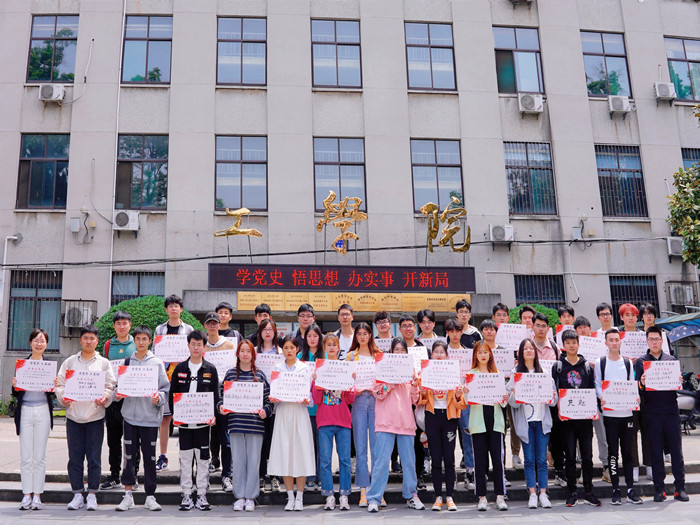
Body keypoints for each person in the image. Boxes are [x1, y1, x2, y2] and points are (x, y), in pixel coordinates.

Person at [55, 325, 116, 511]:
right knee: (75, 458)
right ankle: (77, 494)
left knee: (94, 458)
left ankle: (92, 494)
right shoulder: (70, 362)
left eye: (92, 338)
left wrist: (105, 397)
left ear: (97, 341)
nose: (89, 341)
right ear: (80, 340)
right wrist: (63, 398)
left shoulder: (103, 363)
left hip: (95, 417)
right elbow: (60, 384)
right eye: (85, 338)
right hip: (74, 417)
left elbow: (110, 385)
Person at [114, 326, 170, 512]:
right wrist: (117, 394)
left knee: (150, 458)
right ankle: (128, 495)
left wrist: (158, 398)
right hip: (130, 417)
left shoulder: (157, 363)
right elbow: (117, 388)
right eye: (138, 338)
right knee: (129, 457)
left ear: (150, 341)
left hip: (149, 418)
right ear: (134, 341)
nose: (141, 342)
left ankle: (150, 496)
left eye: (144, 339)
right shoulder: (127, 362)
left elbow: (165, 389)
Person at [366, 337, 424, 513]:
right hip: (385, 422)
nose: (399, 353)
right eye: (396, 349)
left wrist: (415, 384)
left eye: (402, 350)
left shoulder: (411, 372)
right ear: (391, 352)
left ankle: (411, 495)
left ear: (407, 353)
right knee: (381, 462)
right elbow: (377, 393)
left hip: (405, 422)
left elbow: (415, 399)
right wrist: (390, 383)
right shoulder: (382, 369)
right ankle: (374, 498)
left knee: (409, 462)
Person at [635, 326, 689, 502]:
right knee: (656, 451)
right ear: (647, 341)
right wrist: (642, 383)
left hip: (671, 411)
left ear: (661, 340)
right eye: (651, 339)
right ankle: (659, 489)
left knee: (676, 451)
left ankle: (680, 488)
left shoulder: (671, 360)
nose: (654, 342)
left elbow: (677, 387)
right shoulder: (641, 362)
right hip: (652, 412)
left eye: (657, 339)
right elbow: (637, 389)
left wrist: (679, 381)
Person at [218, 339, 272, 512]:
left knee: (254, 462)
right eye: (242, 351)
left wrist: (265, 411)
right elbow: (221, 398)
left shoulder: (260, 375)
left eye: (248, 351)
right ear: (237, 354)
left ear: (253, 354)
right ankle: (239, 496)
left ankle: (251, 497)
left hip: (255, 426)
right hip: (236, 425)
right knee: (238, 462)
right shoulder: (230, 375)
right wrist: (221, 407)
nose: (245, 354)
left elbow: (268, 401)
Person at [169, 330, 220, 511]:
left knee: (203, 459)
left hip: (203, 424)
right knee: (185, 458)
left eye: (199, 344)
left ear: (204, 347)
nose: (196, 347)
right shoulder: (180, 368)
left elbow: (215, 396)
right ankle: (186, 493)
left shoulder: (210, 369)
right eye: (193, 344)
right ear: (188, 345)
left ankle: (202, 494)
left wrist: (213, 415)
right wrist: (175, 414)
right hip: (184, 424)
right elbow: (173, 394)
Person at [506, 338, 557, 509]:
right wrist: (515, 394)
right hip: (525, 423)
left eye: (531, 348)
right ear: (520, 353)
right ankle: (532, 493)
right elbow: (511, 402)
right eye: (525, 348)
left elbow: (554, 400)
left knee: (542, 459)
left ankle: (543, 492)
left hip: (542, 421)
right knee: (528, 459)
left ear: (535, 352)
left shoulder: (544, 372)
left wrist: (551, 395)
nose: (529, 351)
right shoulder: (515, 373)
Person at [552, 330, 600, 507]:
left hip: (585, 419)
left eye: (574, 342)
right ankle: (572, 492)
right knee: (570, 456)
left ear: (578, 344)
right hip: (566, 420)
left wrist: (593, 409)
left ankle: (588, 491)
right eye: (568, 343)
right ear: (563, 345)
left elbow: (592, 390)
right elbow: (554, 390)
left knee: (587, 456)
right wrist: (559, 407)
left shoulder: (587, 366)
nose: (571, 345)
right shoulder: (558, 366)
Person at [594, 328, 642, 505]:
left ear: (620, 341)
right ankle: (615, 488)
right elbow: (598, 385)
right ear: (606, 343)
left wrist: (635, 396)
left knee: (627, 452)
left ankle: (630, 489)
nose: (614, 343)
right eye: (611, 340)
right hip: (610, 414)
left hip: (627, 413)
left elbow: (631, 384)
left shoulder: (628, 363)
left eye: (616, 339)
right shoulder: (601, 362)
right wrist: (604, 397)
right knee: (613, 453)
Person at [268, 334, 315, 511]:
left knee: (300, 453)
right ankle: (290, 497)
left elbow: (310, 396)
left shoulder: (305, 368)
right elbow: (274, 394)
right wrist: (273, 398)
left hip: (299, 413)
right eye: (286, 348)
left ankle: (300, 497)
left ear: (297, 349)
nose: (289, 351)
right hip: (283, 413)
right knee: (285, 454)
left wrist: (307, 400)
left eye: (292, 348)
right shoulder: (277, 368)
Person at [418, 341, 465, 511]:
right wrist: (423, 392)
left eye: (441, 352)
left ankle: (450, 496)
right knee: (436, 458)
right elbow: (420, 401)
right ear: (431, 355)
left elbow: (461, 405)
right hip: (432, 416)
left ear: (447, 355)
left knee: (449, 458)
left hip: (449, 417)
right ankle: (438, 496)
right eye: (436, 352)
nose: (438, 355)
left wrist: (458, 395)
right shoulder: (425, 373)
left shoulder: (453, 373)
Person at [12, 328, 54, 511]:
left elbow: (51, 393)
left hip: (43, 411)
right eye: (36, 340)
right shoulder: (22, 365)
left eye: (42, 340)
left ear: (46, 344)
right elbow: (16, 393)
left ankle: (37, 495)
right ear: (30, 343)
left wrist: (54, 385)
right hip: (25, 411)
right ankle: (26, 494)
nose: (39, 343)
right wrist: (15, 385)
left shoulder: (49, 365)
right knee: (26, 456)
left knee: (40, 456)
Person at [312, 333, 356, 510]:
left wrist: (351, 382)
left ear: (338, 348)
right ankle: (329, 495)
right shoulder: (320, 368)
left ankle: (344, 494)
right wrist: (316, 382)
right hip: (324, 421)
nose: (331, 347)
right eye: (328, 344)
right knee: (325, 461)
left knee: (345, 460)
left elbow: (350, 399)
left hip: (343, 421)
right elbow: (316, 400)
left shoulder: (345, 368)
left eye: (334, 344)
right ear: (324, 347)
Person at [465, 341, 509, 512]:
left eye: (486, 352)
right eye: (480, 352)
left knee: (498, 461)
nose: (483, 355)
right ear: (475, 355)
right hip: (478, 422)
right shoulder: (471, 375)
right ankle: (482, 497)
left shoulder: (496, 374)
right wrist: (465, 393)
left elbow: (503, 404)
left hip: (495, 421)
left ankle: (500, 496)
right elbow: (467, 402)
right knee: (480, 461)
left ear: (490, 354)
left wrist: (504, 398)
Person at [154, 294, 194, 472]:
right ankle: (163, 456)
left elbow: (193, 352)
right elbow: (155, 353)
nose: (173, 309)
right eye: (170, 306)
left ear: (181, 309)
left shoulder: (188, 329)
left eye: (176, 306)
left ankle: (185, 457)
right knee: (165, 419)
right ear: (166, 309)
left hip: (184, 379)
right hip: (165, 379)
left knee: (185, 417)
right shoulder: (159, 330)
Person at [101, 311, 137, 490]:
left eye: (125, 323)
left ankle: (133, 475)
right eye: (118, 323)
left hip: (131, 399)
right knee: (113, 440)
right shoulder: (108, 345)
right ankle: (114, 475)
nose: (122, 326)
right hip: (113, 400)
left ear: (130, 325)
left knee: (132, 440)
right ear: (114, 326)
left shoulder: (136, 343)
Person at [346, 322, 381, 506]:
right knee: (360, 446)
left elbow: (384, 380)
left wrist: (379, 389)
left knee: (377, 447)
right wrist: (353, 386)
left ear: (370, 335)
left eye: (365, 333)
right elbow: (345, 381)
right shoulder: (351, 356)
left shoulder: (378, 355)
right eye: (359, 333)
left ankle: (377, 489)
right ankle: (363, 489)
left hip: (376, 401)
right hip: (358, 400)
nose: (362, 336)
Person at [202, 312, 234, 489]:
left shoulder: (228, 344)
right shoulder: (201, 345)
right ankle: (206, 471)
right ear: (205, 326)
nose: (213, 326)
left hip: (224, 395)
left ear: (220, 325)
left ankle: (227, 474)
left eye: (215, 323)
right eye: (210, 323)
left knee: (225, 436)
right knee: (204, 436)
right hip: (205, 395)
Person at [446, 318, 475, 489]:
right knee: (448, 438)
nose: (455, 334)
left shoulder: (469, 354)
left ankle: (470, 473)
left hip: (465, 401)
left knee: (468, 437)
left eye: (457, 331)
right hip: (446, 401)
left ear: (462, 332)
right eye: (451, 331)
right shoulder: (442, 353)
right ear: (447, 333)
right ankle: (450, 475)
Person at [255, 317, 281, 492]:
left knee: (274, 441)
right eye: (265, 329)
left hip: (277, 403)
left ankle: (275, 476)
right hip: (258, 404)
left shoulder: (280, 352)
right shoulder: (254, 352)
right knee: (262, 441)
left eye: (270, 329)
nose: (268, 332)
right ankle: (262, 475)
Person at [299, 324, 324, 491]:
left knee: (321, 445)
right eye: (309, 336)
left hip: (322, 407)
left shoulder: (326, 357)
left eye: (315, 336)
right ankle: (309, 476)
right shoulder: (299, 357)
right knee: (307, 444)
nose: (312, 339)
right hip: (305, 408)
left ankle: (321, 477)